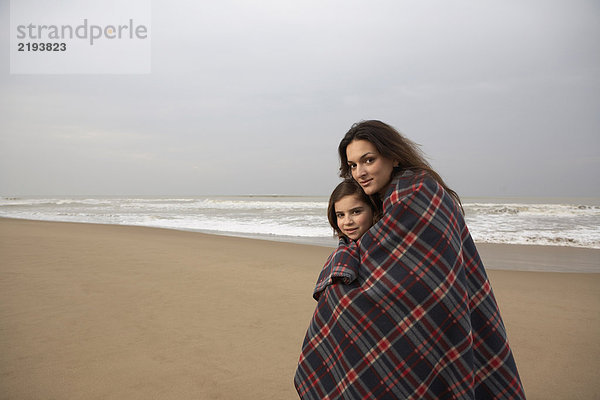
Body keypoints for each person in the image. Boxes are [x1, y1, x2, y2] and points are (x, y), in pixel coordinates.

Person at [295, 120, 525, 399]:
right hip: (432, 306)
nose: (361, 172)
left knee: (341, 305)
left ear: (393, 156)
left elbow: (388, 256)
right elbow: (378, 248)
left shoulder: (416, 192)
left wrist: (344, 264)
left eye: (368, 160)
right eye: (353, 165)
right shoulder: (388, 195)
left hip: (438, 306)